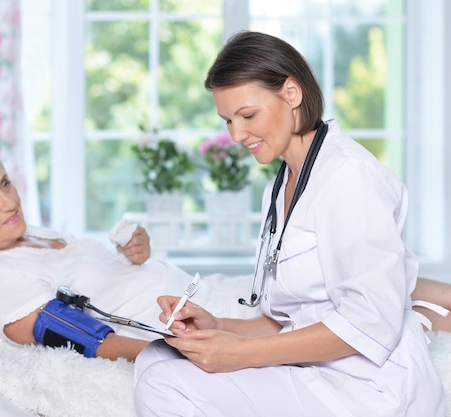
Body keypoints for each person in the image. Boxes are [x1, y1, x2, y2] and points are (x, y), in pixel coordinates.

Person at [132, 31, 446, 416]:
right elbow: (291, 320)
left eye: (247, 115)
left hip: (368, 384)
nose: (236, 135)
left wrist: (240, 354)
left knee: (164, 385)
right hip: (317, 368)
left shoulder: (348, 176)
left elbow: (370, 323)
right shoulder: (281, 186)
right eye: (228, 120)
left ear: (292, 94)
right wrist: (217, 326)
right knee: (156, 358)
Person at [0, 144, 450, 365]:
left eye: (5, 182)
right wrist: (177, 350)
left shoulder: (36, 236)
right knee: (357, 299)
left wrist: (132, 253)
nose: (9, 200)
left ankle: (430, 305)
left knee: (364, 276)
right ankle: (423, 321)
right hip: (193, 322)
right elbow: (81, 338)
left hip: (207, 292)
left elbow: (97, 286)